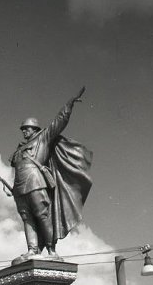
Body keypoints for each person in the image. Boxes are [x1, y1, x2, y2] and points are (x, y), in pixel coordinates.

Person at [10, 86, 92, 262]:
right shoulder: (19, 149)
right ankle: (32, 250)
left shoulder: (43, 138)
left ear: (34, 129)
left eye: (27, 128)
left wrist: (69, 104)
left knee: (42, 215)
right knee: (27, 218)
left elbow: (58, 122)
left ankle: (51, 249)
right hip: (19, 187)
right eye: (23, 129)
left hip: (35, 182)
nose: (24, 131)